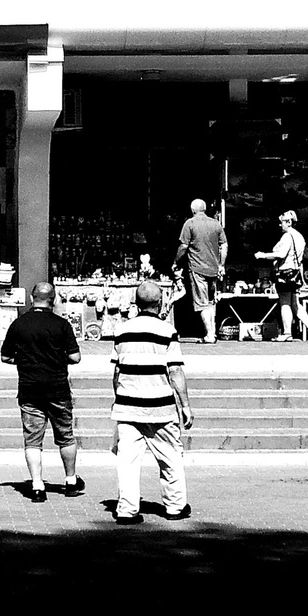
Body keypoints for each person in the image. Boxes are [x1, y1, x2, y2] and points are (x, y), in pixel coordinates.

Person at [109, 277, 192, 523]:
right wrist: (185, 405)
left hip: (127, 406)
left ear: (136, 303)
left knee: (127, 461)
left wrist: (118, 397)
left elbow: (117, 372)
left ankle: (127, 510)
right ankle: (175, 506)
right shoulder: (167, 331)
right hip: (161, 407)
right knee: (170, 458)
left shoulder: (121, 330)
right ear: (160, 302)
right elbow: (175, 371)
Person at [0, 282, 84, 502]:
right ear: (53, 300)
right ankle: (71, 480)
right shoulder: (61, 324)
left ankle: (37, 485)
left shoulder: (19, 324)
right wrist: (57, 359)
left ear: (31, 298)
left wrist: (24, 360)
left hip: (29, 390)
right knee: (65, 436)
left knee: (32, 440)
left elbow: (5, 356)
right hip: (58, 389)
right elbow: (75, 357)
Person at [176, 198, 227, 342]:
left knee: (202, 303)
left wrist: (176, 262)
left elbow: (183, 246)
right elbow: (224, 245)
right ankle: (212, 332)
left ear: (192, 210)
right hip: (213, 269)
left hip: (197, 268)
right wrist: (221, 264)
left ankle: (209, 334)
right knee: (210, 302)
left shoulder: (190, 223)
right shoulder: (216, 223)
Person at [259, 210, 308, 342]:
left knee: (285, 303)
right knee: (295, 303)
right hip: (295, 273)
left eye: (281, 222)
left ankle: (287, 332)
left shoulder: (287, 236)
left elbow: (281, 254)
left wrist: (263, 255)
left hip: (285, 273)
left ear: (288, 222)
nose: (279, 225)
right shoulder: (300, 237)